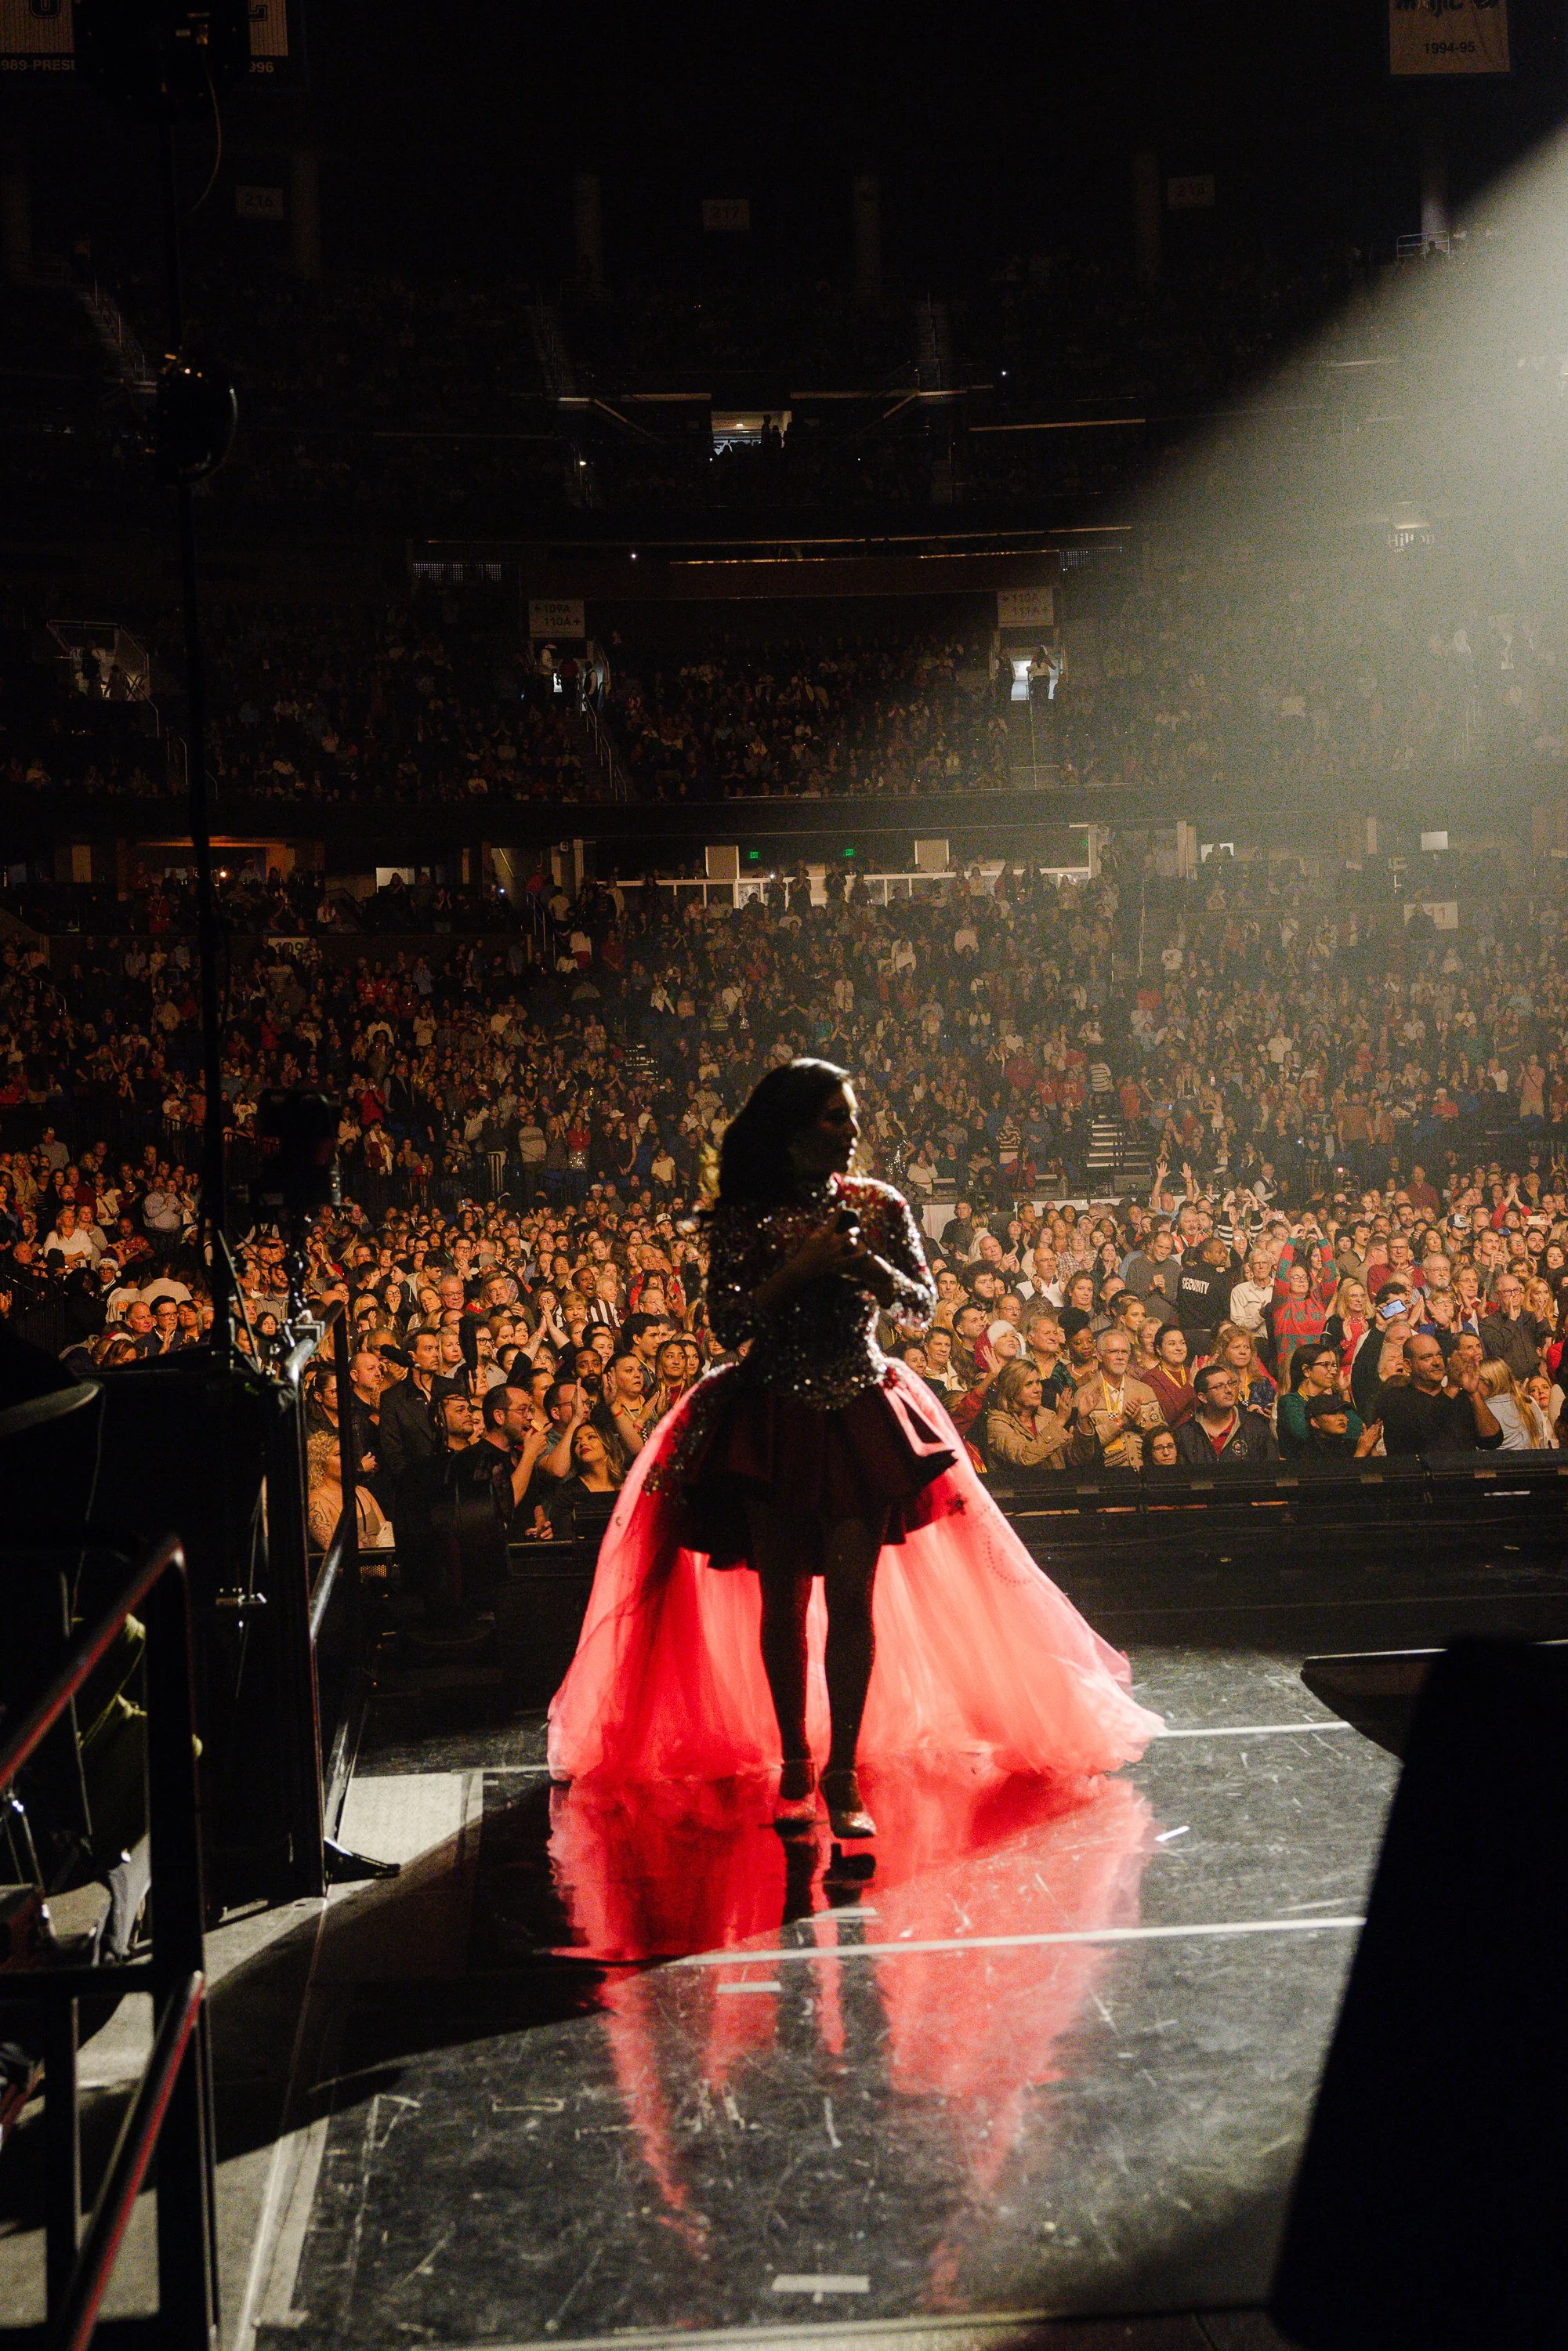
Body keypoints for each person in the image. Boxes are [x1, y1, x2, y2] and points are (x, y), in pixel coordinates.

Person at [546, 1059, 1160, 1834]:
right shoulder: (747, 1214)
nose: (851, 1130)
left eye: (853, 1116)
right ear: (794, 1127)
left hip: (859, 1411)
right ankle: (795, 1763)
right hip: (771, 1414)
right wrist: (800, 1269)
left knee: (851, 1597)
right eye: (836, 1116)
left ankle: (842, 1773)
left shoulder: (879, 1204)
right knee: (781, 1602)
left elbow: (922, 1306)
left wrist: (866, 1263)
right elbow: (728, 1325)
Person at [1376, 1332, 1503, 1455]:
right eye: (1427, 1357)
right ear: (1408, 1365)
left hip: (1463, 1469)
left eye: (1439, 1355)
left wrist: (1473, 1394)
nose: (1437, 1362)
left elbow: (1492, 1441)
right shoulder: (1395, 1398)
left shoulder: (1459, 1398)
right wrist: (1452, 1387)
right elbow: (1425, 1435)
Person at [1173, 1364, 1280, 1465]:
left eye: (1231, 1384)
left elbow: (1271, 1471)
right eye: (1219, 1386)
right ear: (1203, 1397)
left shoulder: (1255, 1428)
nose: (1229, 1390)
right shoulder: (1186, 1434)